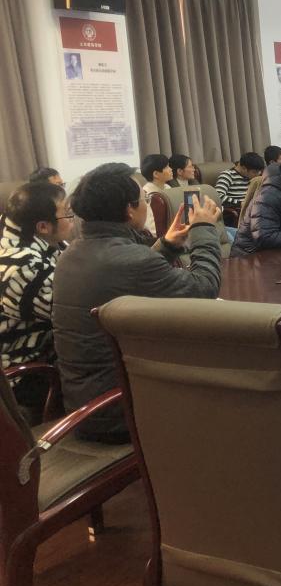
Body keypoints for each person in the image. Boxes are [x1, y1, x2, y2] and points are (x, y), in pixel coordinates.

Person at [52, 163, 223, 442]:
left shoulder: (72, 253)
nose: (147, 205)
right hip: (121, 409)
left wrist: (167, 245)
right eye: (143, 199)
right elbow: (205, 289)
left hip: (84, 404)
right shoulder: (130, 261)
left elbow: (127, 273)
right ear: (129, 210)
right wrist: (204, 229)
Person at [0, 182, 73, 423]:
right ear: (43, 226)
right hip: (25, 376)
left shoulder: (43, 245)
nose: (71, 219)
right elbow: (75, 314)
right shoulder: (23, 267)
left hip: (49, 358)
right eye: (67, 213)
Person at [140, 153, 174, 235]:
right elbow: (151, 229)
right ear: (156, 174)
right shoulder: (146, 194)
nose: (171, 169)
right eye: (166, 167)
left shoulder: (168, 188)